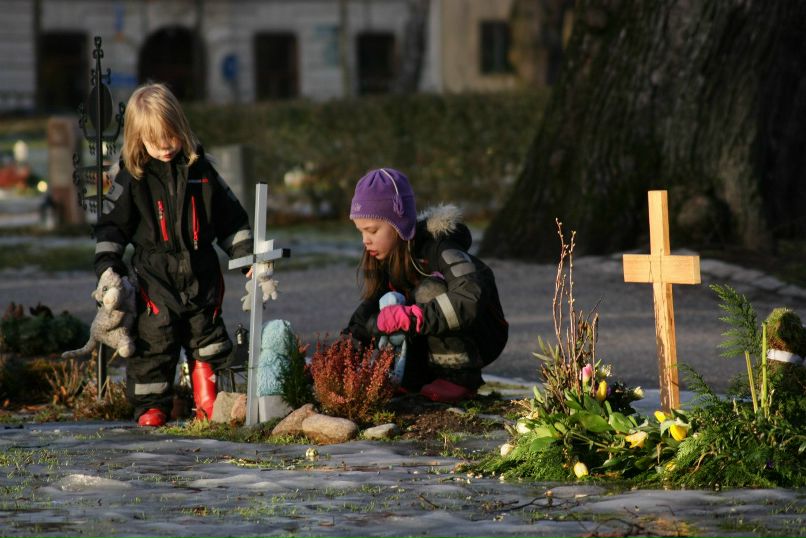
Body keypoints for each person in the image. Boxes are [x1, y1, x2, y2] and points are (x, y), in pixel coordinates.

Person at [94, 83, 254, 427]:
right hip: (154, 277)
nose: (165, 147)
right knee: (155, 341)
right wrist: (108, 269)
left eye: (171, 137)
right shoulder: (130, 177)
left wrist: (247, 258)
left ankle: (210, 401)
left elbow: (231, 219)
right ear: (138, 139)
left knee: (208, 337)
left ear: (181, 128)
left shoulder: (200, 172)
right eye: (155, 141)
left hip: (201, 272)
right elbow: (110, 228)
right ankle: (152, 405)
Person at [344, 168, 508, 403]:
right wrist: (341, 353)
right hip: (432, 339)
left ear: (398, 222)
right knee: (384, 308)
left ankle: (457, 378)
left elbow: (470, 296)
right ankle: (413, 378)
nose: (365, 240)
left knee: (429, 290)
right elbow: (368, 313)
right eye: (360, 231)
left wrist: (413, 317)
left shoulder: (441, 247)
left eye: (372, 230)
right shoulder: (385, 257)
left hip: (482, 334)